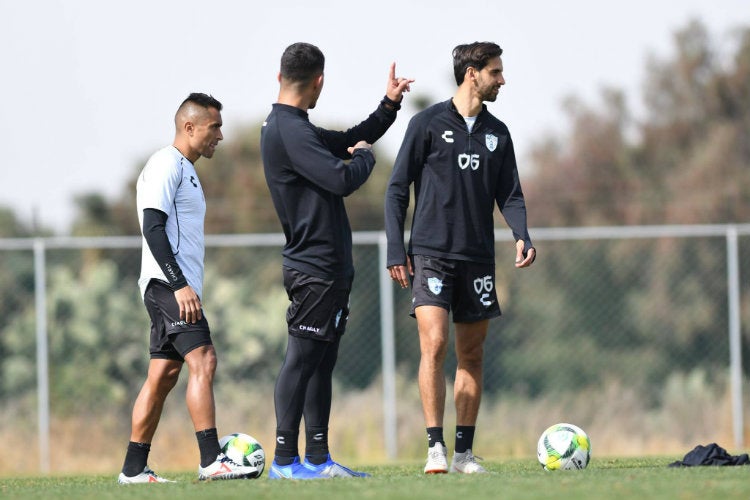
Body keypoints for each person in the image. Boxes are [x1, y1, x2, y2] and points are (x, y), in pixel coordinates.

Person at [260, 42, 414, 480]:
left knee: (321, 362)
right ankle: (285, 462)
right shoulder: (288, 131)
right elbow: (341, 176)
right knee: (302, 358)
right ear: (319, 81)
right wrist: (366, 157)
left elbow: (345, 140)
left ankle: (318, 458)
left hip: (329, 267)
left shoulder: (294, 126)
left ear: (280, 77)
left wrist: (388, 106)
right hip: (313, 266)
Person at [384, 42, 536, 475]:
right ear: (472, 74)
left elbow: (510, 194)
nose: (502, 80)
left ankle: (464, 454)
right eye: (495, 72)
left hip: (477, 260)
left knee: (473, 355)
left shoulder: (499, 133)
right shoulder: (426, 124)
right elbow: (397, 190)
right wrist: (397, 248)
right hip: (431, 255)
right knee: (434, 344)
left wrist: (522, 235)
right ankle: (436, 448)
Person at [119, 93, 256, 483]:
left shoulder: (186, 168)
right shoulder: (166, 163)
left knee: (162, 375)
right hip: (168, 285)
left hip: (170, 285)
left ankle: (133, 469)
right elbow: (152, 226)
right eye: (215, 128)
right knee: (205, 359)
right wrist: (179, 285)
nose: (221, 136)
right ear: (189, 126)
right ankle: (212, 460)